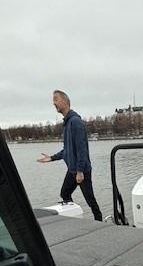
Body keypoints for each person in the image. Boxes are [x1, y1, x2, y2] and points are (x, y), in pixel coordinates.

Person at [37, 90, 103, 221]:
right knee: (65, 193)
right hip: (72, 170)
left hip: (81, 170)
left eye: (56, 99)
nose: (53, 103)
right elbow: (67, 150)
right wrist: (51, 158)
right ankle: (73, 220)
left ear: (65, 101)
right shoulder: (67, 123)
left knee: (90, 201)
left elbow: (81, 149)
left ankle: (101, 223)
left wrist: (80, 171)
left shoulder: (75, 122)